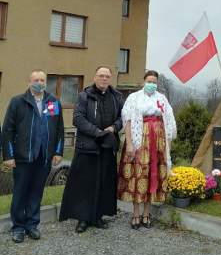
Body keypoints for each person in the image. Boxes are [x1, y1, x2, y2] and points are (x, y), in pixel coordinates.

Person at [59, 66, 124, 233]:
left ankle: (98, 216)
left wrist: (114, 128)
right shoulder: (84, 96)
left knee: (104, 183)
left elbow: (122, 118)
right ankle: (83, 218)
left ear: (110, 79)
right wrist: (98, 133)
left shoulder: (116, 97)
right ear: (95, 77)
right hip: (88, 147)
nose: (104, 79)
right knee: (85, 184)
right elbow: (78, 119)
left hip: (107, 147)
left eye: (107, 76)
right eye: (101, 75)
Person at [2, 70, 64, 243]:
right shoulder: (18, 102)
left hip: (44, 157)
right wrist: (9, 155)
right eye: (36, 80)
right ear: (29, 82)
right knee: (21, 192)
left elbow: (59, 130)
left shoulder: (53, 102)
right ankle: (18, 227)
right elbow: (7, 130)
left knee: (36, 192)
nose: (40, 82)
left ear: (46, 82)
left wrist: (58, 152)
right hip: (23, 157)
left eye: (42, 80)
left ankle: (32, 225)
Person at [117, 70, 176, 229]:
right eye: (149, 81)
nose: (152, 84)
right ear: (143, 81)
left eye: (154, 82)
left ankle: (146, 214)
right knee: (138, 175)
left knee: (152, 174)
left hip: (157, 142)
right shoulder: (134, 97)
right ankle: (135, 213)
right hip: (139, 141)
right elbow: (128, 121)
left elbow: (169, 121)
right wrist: (129, 143)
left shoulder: (161, 98)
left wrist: (167, 146)